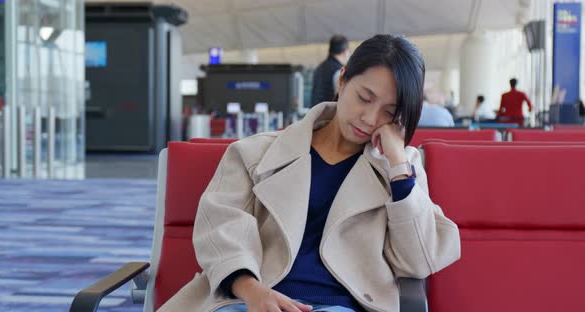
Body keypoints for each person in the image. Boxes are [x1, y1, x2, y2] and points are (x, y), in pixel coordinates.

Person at [159, 35, 461, 312]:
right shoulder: (254, 153)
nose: (370, 119)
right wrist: (252, 291)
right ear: (342, 80)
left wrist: (397, 164)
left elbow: (419, 260)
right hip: (250, 300)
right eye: (365, 98)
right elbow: (222, 229)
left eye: (388, 112)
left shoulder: (400, 171)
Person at [311, 35, 350, 106]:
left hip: (315, 114)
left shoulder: (319, 68)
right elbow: (342, 101)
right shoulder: (339, 72)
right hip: (328, 115)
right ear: (345, 51)